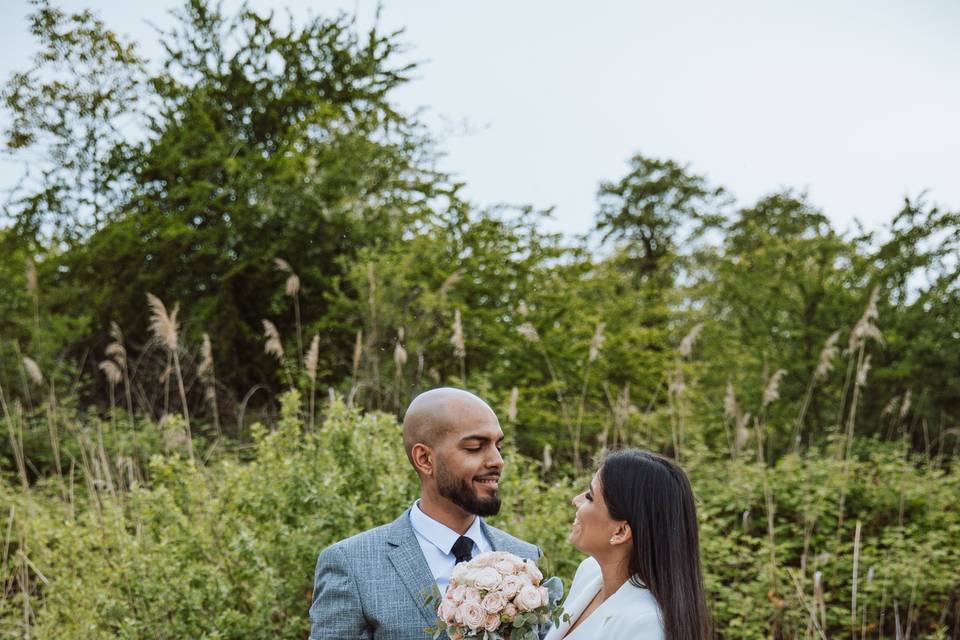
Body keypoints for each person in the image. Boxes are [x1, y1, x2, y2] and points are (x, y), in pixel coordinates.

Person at [309, 388, 541, 640]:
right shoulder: (351, 565)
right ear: (425, 459)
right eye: (475, 447)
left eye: (498, 446)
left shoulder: (527, 559)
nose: (497, 461)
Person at [545, 449, 712, 640]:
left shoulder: (646, 626)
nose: (575, 500)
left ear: (620, 531)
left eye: (590, 497)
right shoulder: (589, 572)